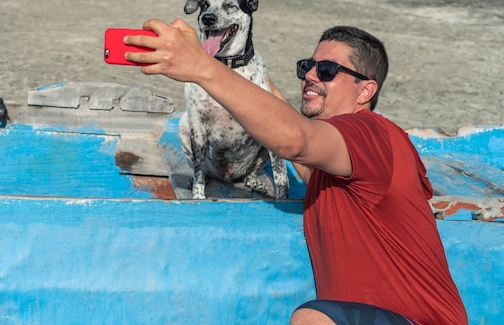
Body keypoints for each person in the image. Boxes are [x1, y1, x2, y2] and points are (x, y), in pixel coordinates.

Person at [125, 20, 468, 325]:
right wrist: (217, 54)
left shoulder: (372, 134)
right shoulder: (334, 169)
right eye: (308, 66)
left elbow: (294, 139)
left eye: (328, 70)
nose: (310, 76)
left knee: (311, 319)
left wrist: (200, 68)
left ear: (366, 90)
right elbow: (278, 115)